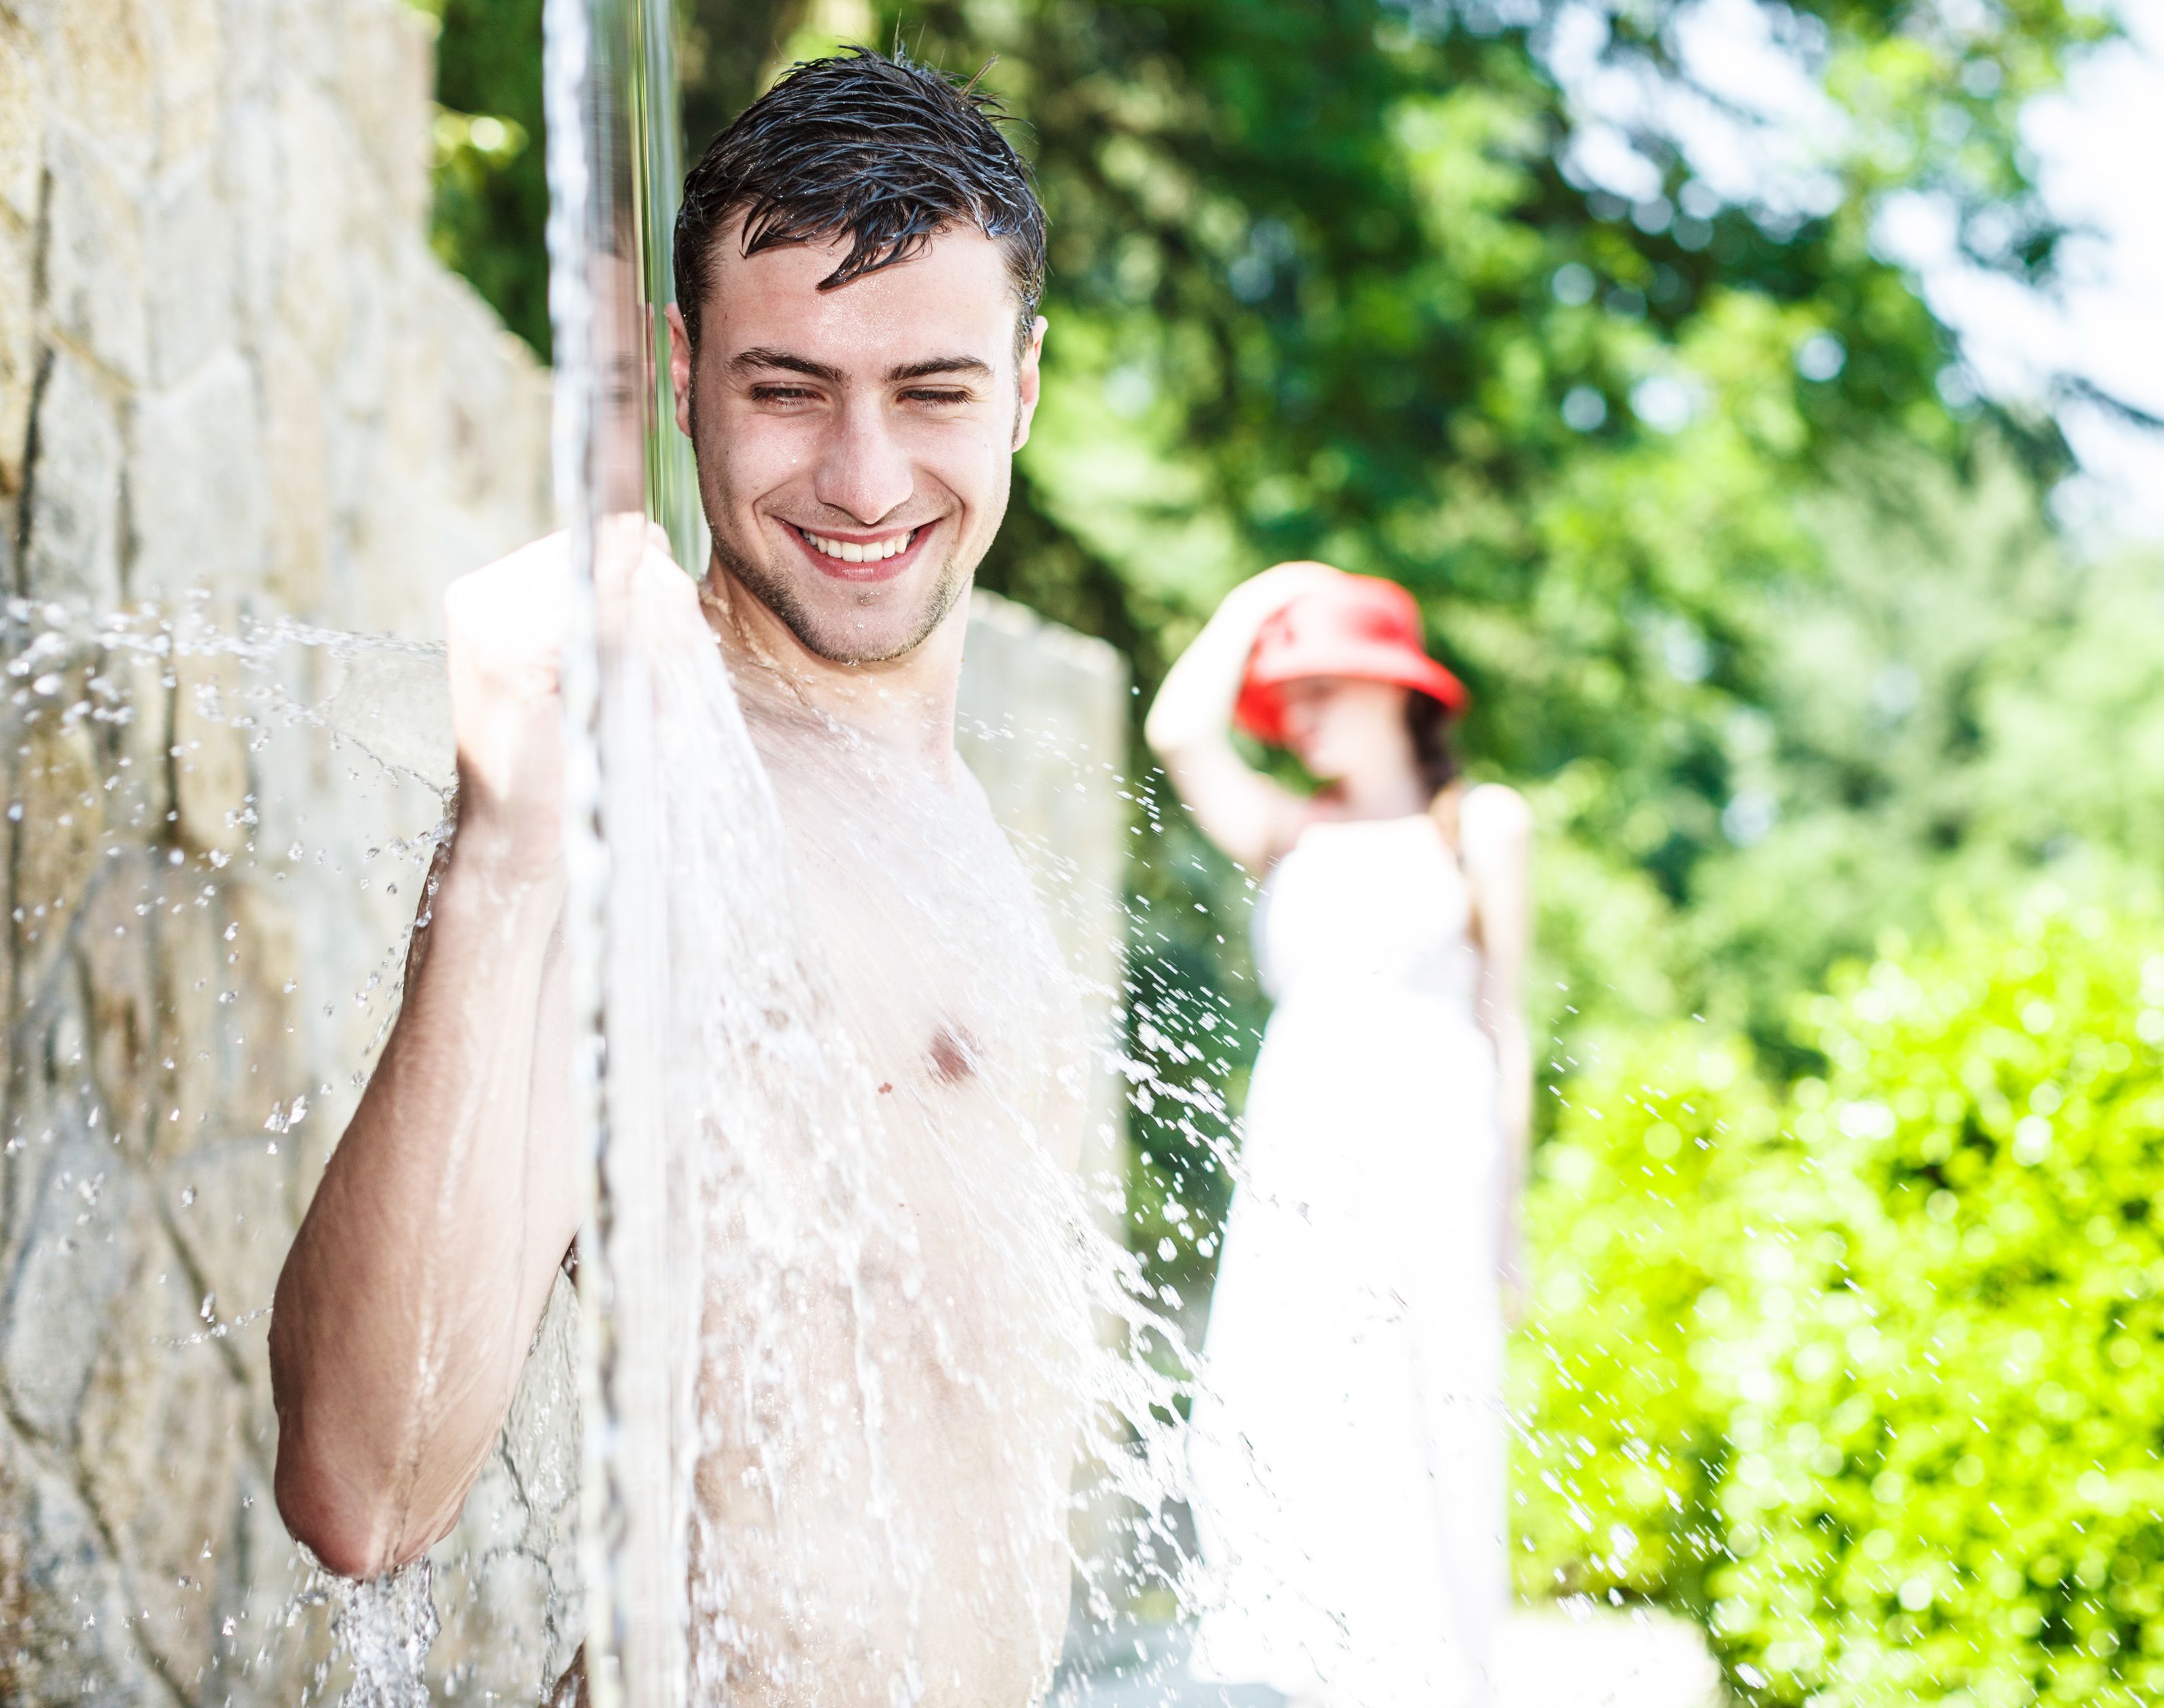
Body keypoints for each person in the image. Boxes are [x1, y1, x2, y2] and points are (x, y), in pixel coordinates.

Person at [268, 50, 1091, 1706]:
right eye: (789, 389)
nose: (864, 479)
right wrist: (504, 846)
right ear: (685, 370)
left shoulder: (946, 811)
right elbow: (364, 1491)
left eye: (930, 391)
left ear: (1022, 384)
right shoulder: (633, 783)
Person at [1145, 564, 1534, 1708]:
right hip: (1306, 1136)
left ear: (1392, 690)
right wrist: (1269, 592)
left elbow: (1503, 1024)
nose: (1299, 713)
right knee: (1288, 1385)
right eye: (1288, 690)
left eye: (1320, 684)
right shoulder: (1287, 828)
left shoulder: (1482, 825)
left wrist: (1510, 1218)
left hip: (1435, 1140)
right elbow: (1179, 725)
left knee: (1432, 1401)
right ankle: (1295, 1676)